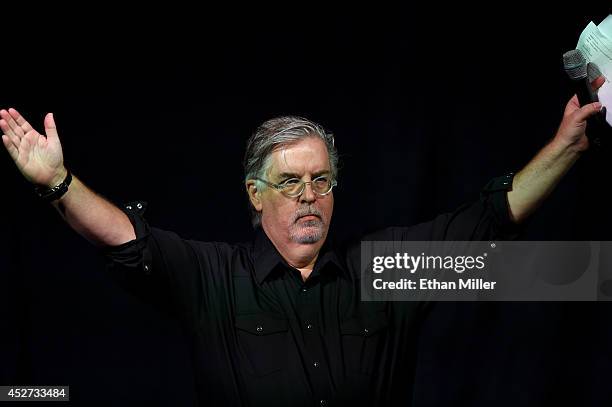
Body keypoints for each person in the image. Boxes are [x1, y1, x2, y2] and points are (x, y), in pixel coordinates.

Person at [0, 76, 605, 406]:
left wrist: (569, 147)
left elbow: (490, 223)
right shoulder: (216, 279)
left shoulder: (385, 273)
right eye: (289, 182)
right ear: (255, 194)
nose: (308, 195)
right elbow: (126, 240)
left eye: (321, 181)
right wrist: (58, 183)